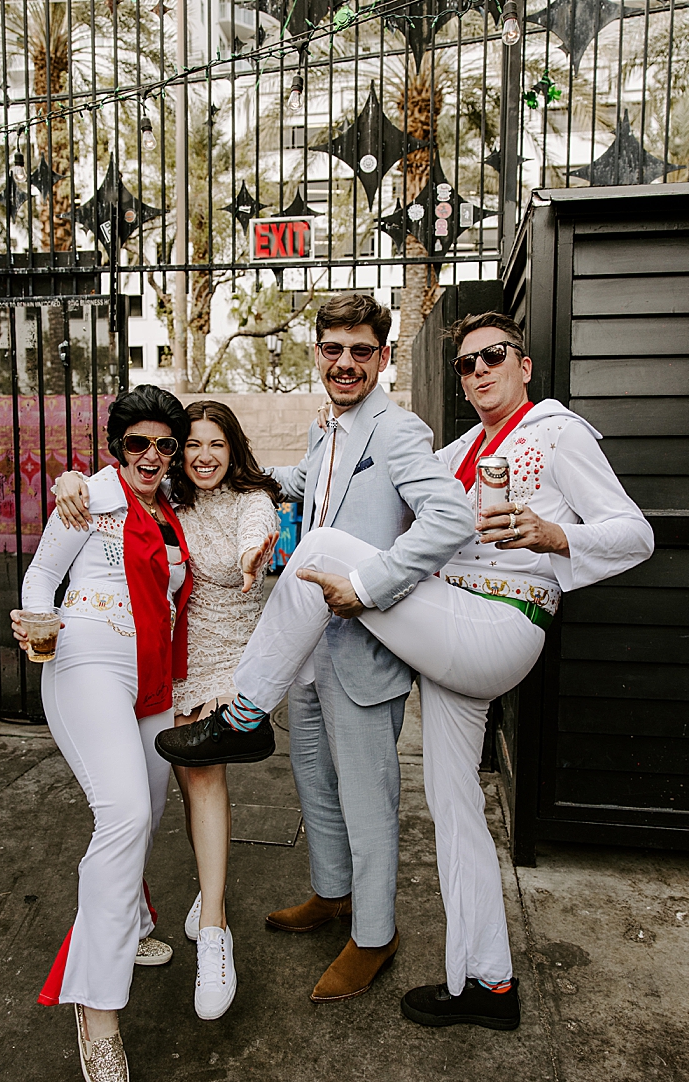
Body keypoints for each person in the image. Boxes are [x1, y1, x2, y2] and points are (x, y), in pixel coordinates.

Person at [177, 310, 654, 1030]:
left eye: (495, 355)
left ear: (524, 364)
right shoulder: (465, 446)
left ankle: (243, 714)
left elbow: (635, 534)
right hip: (451, 627)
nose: (480, 370)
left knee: (320, 551)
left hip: (502, 621)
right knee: (454, 806)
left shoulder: (557, 431)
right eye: (467, 364)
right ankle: (489, 985)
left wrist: (558, 535)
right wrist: (224, 468)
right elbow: (315, 480)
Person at [166, 294, 475, 1005]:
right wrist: (256, 496)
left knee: (369, 802)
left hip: (364, 646)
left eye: (360, 351)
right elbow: (307, 489)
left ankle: (375, 934)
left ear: (382, 357)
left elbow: (452, 514)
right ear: (318, 353)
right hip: (307, 646)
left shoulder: (399, 432)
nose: (345, 363)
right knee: (315, 786)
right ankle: (333, 896)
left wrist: (372, 582)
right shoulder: (326, 430)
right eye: (333, 349)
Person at [49, 399, 280, 1023]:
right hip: (165, 666)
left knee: (200, 781)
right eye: (192, 445)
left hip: (223, 664)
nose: (201, 456)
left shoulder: (249, 499)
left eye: (215, 445)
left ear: (233, 451)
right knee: (142, 807)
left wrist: (260, 549)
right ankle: (133, 929)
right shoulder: (163, 503)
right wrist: (71, 479)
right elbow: (101, 506)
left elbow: (258, 527)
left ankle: (214, 930)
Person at [9, 386, 192, 1082]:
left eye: (164, 445)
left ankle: (135, 923)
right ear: (118, 445)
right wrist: (37, 621)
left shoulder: (172, 508)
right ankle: (98, 1008)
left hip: (152, 675)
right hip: (86, 657)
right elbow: (38, 576)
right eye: (138, 443)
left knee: (146, 811)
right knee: (121, 815)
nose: (151, 456)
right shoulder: (88, 496)